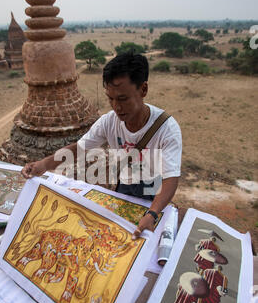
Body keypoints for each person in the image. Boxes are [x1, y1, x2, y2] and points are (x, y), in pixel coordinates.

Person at [22, 51, 182, 239]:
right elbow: (79, 148)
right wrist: (44, 165)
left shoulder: (167, 129)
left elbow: (170, 179)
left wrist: (152, 213)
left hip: (154, 192)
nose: (116, 107)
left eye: (123, 99)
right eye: (110, 99)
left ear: (143, 90)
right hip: (125, 184)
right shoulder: (109, 121)